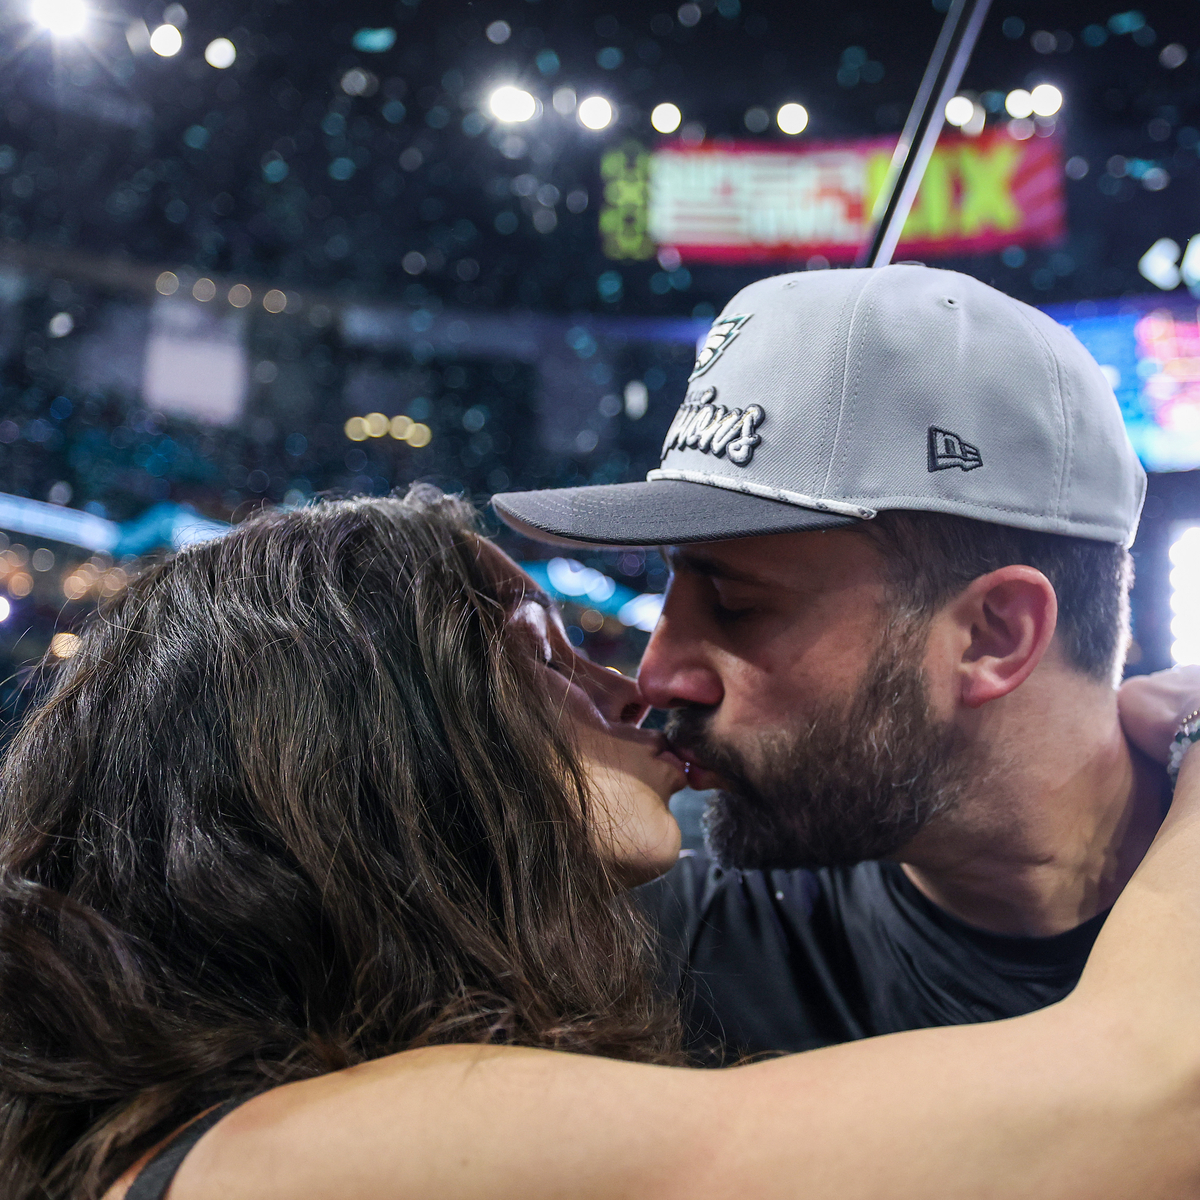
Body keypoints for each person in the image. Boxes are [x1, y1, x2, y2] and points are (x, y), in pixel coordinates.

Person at [5, 489, 1200, 1200]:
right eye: (541, 650)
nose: (637, 688)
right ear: (373, 751)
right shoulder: (301, 1153)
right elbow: (1154, 1096)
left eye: (733, 600)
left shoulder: (259, 1117)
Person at [491, 264, 1172, 1060]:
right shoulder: (654, 919)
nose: (657, 673)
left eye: (738, 605)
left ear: (994, 636)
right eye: (672, 583)